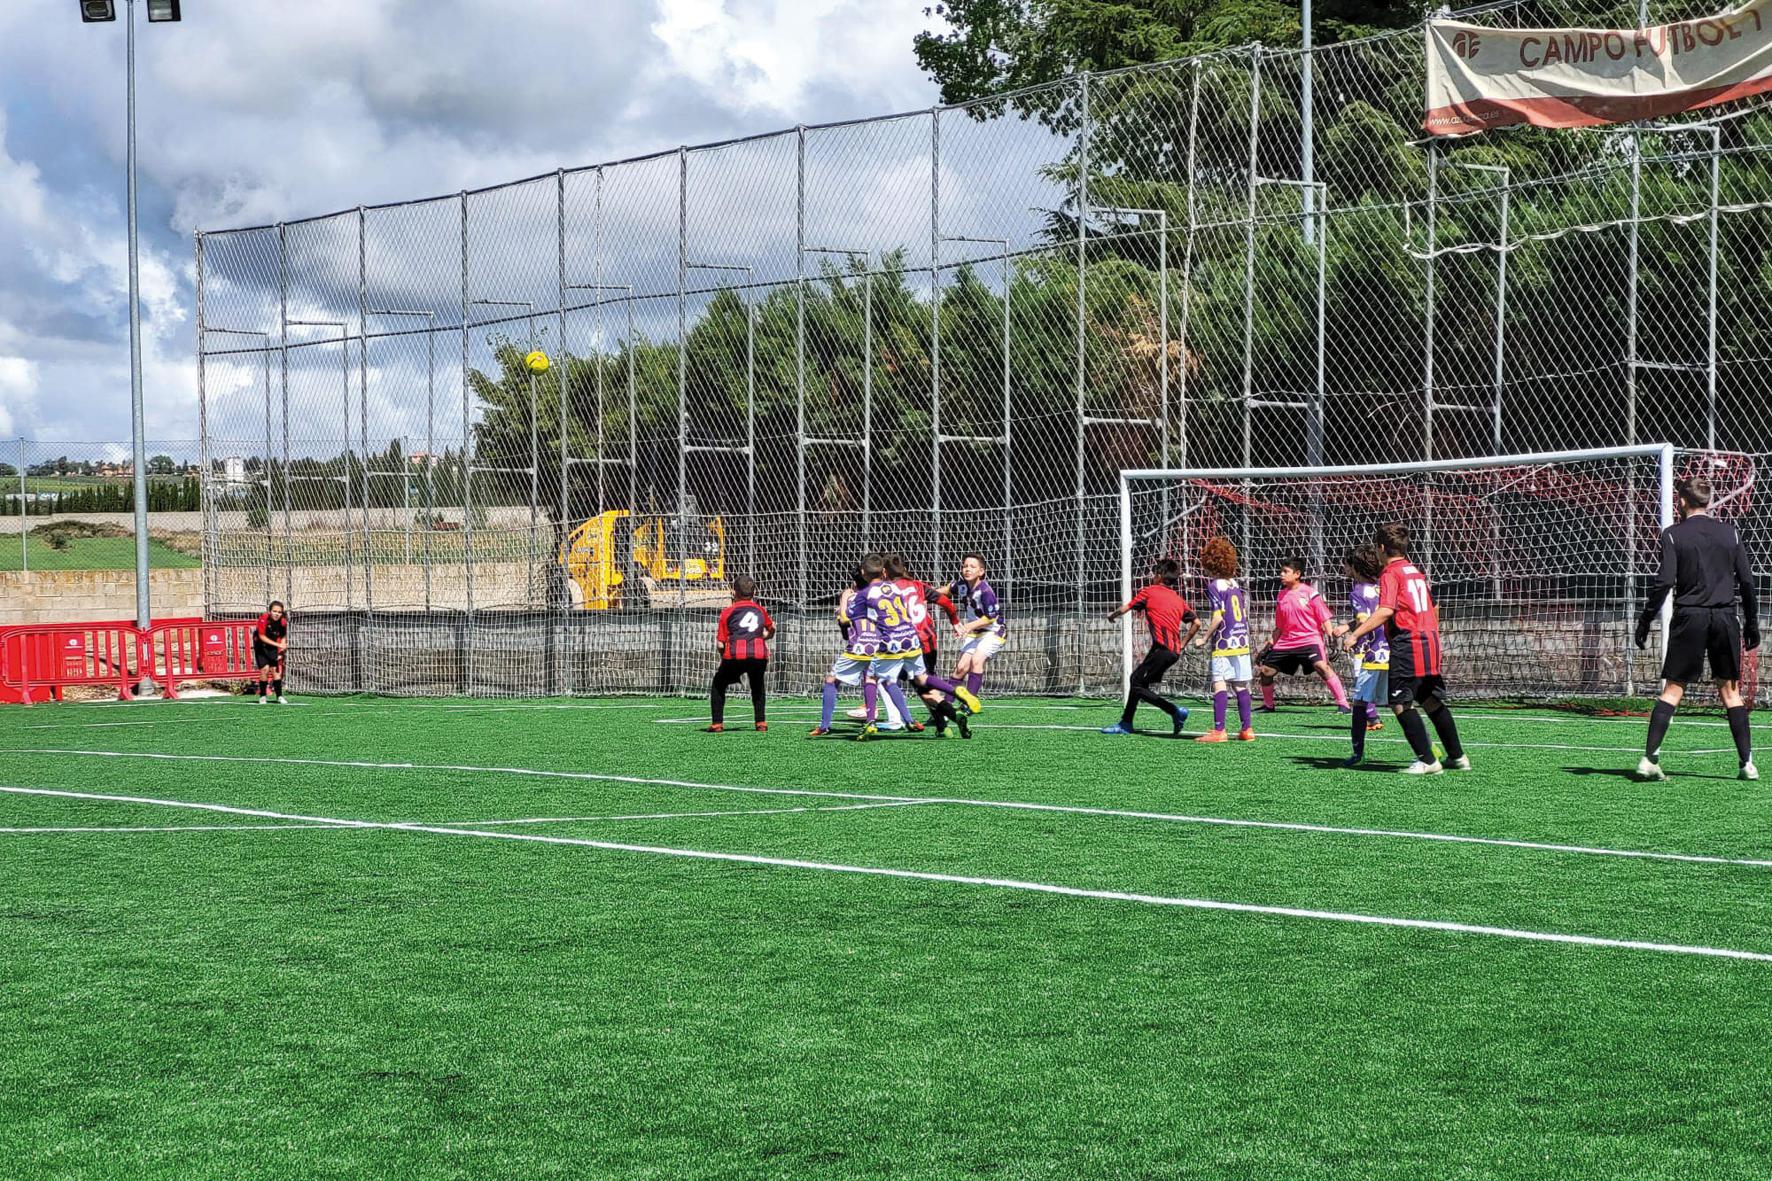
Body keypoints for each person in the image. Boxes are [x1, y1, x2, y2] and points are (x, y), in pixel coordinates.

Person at [1634, 474, 1760, 781]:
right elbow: (1747, 581)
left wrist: (1645, 619)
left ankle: (1650, 759)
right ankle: (1746, 764)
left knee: (1673, 689)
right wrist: (1752, 623)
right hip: (1725, 617)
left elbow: (1665, 582)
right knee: (1730, 692)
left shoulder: (1673, 535)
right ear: (1708, 501)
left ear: (1681, 501)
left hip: (1690, 617)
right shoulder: (1730, 533)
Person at [1341, 523, 1469, 775]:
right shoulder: (1415, 571)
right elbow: (1434, 606)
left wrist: (1355, 634)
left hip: (1408, 643)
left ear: (1381, 548)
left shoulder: (1391, 573)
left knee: (1400, 703)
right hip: (1430, 640)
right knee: (1429, 699)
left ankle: (1428, 760)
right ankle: (1457, 756)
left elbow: (1385, 610)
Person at [1101, 558, 1198, 737]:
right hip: (1171, 652)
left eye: (1154, 574)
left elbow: (1125, 609)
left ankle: (1174, 711)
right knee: (1139, 682)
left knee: (1136, 682)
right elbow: (1197, 623)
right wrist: (1183, 644)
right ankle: (1126, 722)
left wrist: (1111, 616)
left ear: (1159, 576)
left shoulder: (1149, 592)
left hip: (1162, 650)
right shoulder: (1178, 599)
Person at [841, 555, 923, 741]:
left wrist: (843, 603)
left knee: (872, 678)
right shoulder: (889, 589)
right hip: (899, 639)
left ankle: (875, 720)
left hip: (875, 644)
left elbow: (846, 619)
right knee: (887, 680)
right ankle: (906, 719)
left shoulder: (861, 596)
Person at [1257, 557, 1351, 713]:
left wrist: (1332, 640)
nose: (1281, 574)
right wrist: (1269, 645)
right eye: (1281, 571)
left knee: (1322, 667)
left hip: (1310, 640)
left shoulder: (1310, 593)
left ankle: (1344, 704)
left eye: (1285, 571)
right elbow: (1279, 627)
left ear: (1297, 574)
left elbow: (1324, 618)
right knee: (1266, 671)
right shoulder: (1281, 596)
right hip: (1287, 641)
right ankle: (1268, 705)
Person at [1192, 536, 1256, 743]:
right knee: (1240, 685)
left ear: (1210, 563)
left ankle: (1219, 730)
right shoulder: (1234, 584)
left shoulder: (1215, 586)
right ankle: (1247, 729)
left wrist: (1204, 638)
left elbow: (1218, 617)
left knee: (1219, 683)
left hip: (1224, 641)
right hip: (1242, 640)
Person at [1332, 544, 1390, 767]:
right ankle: (1427, 749)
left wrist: (1354, 637)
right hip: (1392, 649)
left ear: (1356, 568)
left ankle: (1357, 754)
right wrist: (1348, 627)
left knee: (1359, 702)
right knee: (1401, 705)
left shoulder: (1357, 592)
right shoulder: (1383, 587)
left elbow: (1365, 620)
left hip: (1372, 651)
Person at [811, 572, 878, 737]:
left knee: (831, 680)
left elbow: (844, 619)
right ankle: (873, 720)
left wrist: (843, 600)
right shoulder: (878, 596)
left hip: (858, 647)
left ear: (855, 583)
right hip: (878, 645)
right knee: (872, 680)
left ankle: (824, 726)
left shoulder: (854, 597)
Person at [706, 575, 775, 733]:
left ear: (734, 592)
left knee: (718, 684)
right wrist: (765, 636)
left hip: (735, 655)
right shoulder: (760, 609)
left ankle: (717, 724)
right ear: (754, 592)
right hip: (759, 655)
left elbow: (720, 644)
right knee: (757, 684)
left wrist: (724, 658)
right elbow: (772, 628)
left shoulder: (728, 612)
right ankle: (761, 722)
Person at [942, 553, 997, 714]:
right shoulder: (961, 585)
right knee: (960, 668)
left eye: (972, 567)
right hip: (976, 633)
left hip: (994, 632)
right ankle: (945, 706)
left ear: (981, 571)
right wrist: (924, 594)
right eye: (965, 566)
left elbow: (990, 618)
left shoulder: (985, 591)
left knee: (976, 660)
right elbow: (946, 590)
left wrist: (967, 626)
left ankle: (970, 703)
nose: (967, 569)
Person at [253, 600, 289, 705]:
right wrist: (279, 645)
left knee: (275, 671)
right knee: (264, 669)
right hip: (261, 646)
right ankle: (263, 696)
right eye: (274, 611)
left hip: (272, 646)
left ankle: (279, 696)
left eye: (279, 612)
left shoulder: (283, 622)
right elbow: (262, 637)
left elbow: (283, 636)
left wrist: (281, 650)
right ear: (270, 611)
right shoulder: (263, 619)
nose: (277, 614)